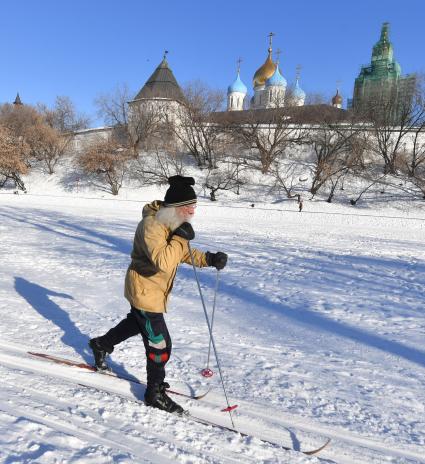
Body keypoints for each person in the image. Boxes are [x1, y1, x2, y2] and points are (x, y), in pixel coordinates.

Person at [89, 176, 227, 415]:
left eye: (194, 206)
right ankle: (154, 393)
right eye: (188, 206)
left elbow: (180, 253)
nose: (193, 211)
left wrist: (209, 258)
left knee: (136, 324)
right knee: (160, 344)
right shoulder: (151, 226)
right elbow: (164, 261)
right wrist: (181, 237)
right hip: (145, 290)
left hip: (152, 291)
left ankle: (101, 344)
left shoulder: (170, 223)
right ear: (174, 208)